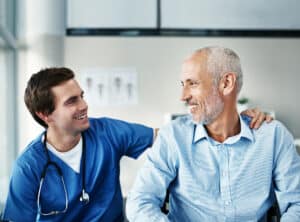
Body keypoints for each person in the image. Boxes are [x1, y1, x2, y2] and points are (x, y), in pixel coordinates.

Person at [2, 67, 269, 222]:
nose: (84, 105)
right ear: (45, 115)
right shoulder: (30, 167)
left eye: (81, 96)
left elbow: (170, 136)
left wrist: (230, 118)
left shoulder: (106, 132)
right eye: (71, 101)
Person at [126, 46, 300, 222]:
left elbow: (297, 203)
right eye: (182, 84)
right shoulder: (173, 136)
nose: (183, 96)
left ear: (226, 83)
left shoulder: (273, 137)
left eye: (192, 83)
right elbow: (140, 202)